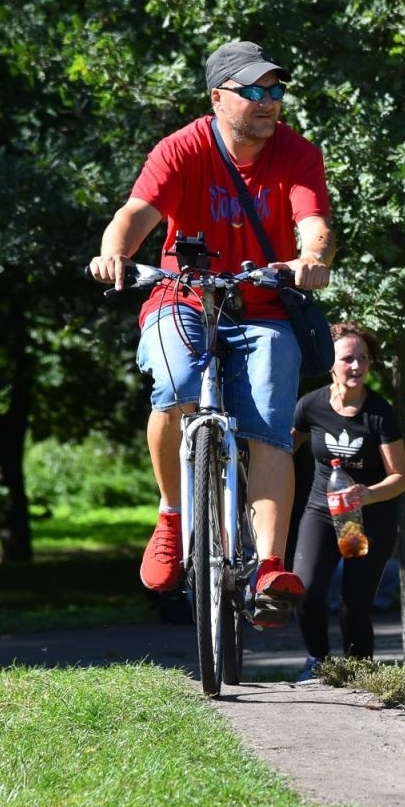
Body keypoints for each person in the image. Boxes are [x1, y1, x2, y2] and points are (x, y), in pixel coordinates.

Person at [87, 40, 335, 626]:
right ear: (218, 97)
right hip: (183, 296)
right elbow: (135, 215)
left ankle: (270, 564)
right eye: (254, 91)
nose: (269, 102)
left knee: (271, 423)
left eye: (275, 90)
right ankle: (172, 517)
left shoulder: (297, 153)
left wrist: (311, 259)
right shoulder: (183, 149)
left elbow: (313, 223)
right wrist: (113, 253)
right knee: (175, 383)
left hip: (266, 305)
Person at [291, 323, 405, 680]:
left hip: (365, 518)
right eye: (347, 359)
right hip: (322, 512)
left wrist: (369, 493)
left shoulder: (379, 413)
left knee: (352, 606)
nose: (356, 366)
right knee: (306, 592)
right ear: (331, 363)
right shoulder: (310, 405)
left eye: (363, 359)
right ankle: (318, 661)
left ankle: (359, 673)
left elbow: (400, 478)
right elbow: (282, 452)